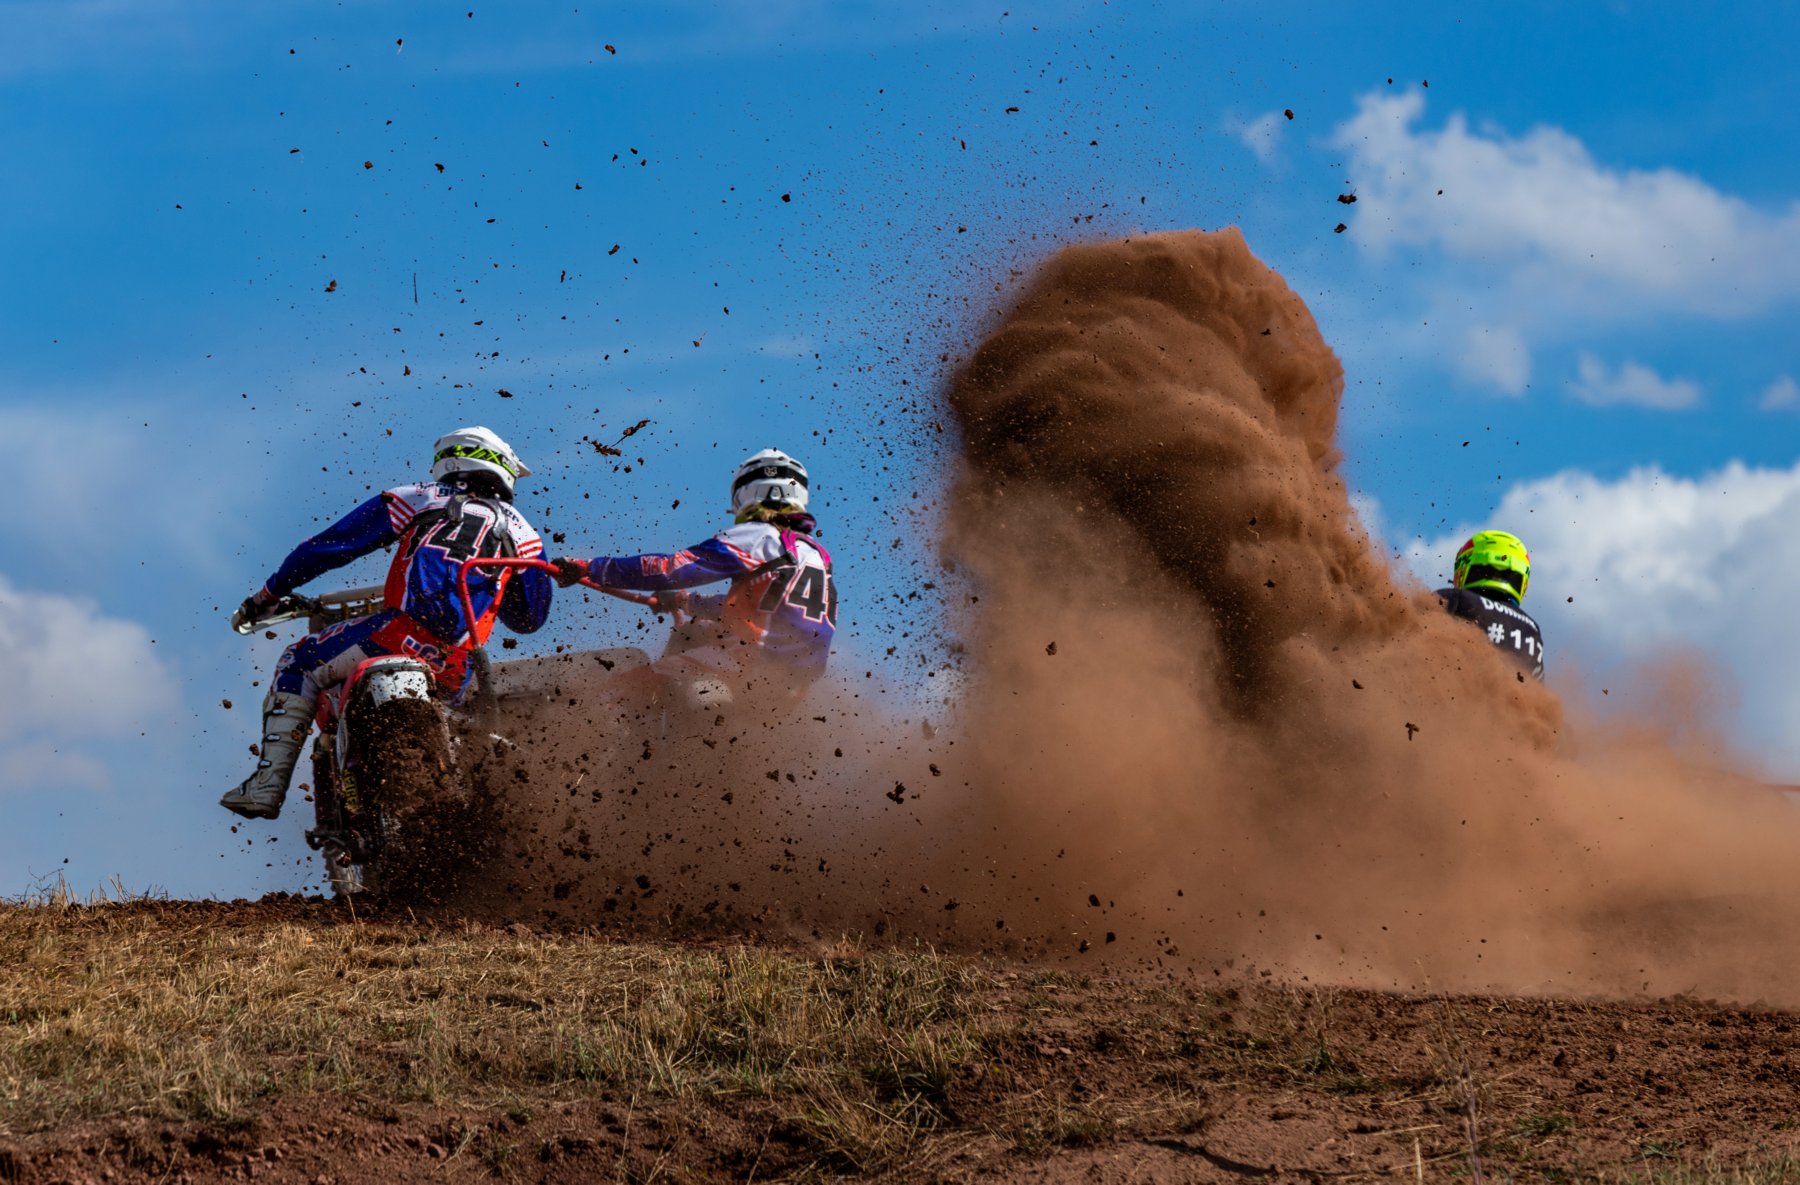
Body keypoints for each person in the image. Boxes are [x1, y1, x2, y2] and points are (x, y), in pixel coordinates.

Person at [220, 426, 554, 819]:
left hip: (395, 636)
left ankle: (267, 785)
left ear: (451, 460)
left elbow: (329, 547)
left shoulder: (421, 496)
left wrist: (267, 595)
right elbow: (529, 620)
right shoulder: (523, 532)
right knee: (464, 725)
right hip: (456, 663)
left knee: (297, 661)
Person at [550, 448, 836, 699]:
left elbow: (670, 570)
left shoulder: (760, 537)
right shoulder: (814, 554)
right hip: (794, 685)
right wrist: (687, 602)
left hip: (752, 664)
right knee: (700, 632)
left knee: (623, 691)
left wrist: (590, 568)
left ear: (746, 491)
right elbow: (757, 612)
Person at [1437, 529, 1545, 680]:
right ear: (1523, 582)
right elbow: (1537, 689)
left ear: (1463, 571)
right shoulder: (1531, 629)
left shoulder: (1456, 599)